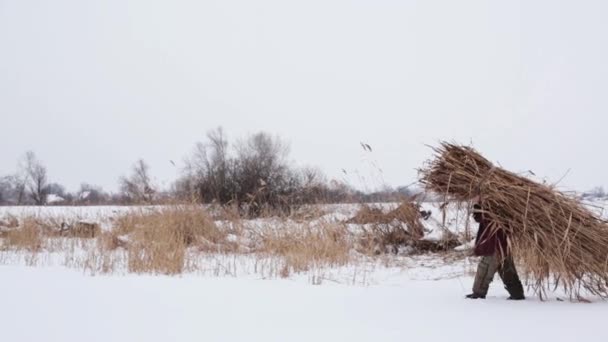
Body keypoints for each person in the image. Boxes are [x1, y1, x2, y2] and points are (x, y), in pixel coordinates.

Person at [465, 204, 525, 300]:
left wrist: (477, 205)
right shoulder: (502, 201)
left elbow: (481, 217)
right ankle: (516, 293)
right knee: (506, 266)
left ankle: (478, 292)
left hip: (494, 242)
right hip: (503, 242)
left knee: (486, 266)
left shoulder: (492, 202)